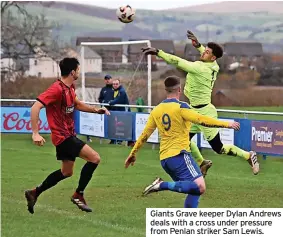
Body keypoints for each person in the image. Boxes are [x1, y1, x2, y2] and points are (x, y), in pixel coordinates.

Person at [141, 31, 259, 176]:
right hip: (194, 110)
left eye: (207, 52)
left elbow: (177, 61)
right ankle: (202, 162)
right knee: (184, 139)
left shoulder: (200, 68)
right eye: (205, 51)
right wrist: (198, 46)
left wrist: (158, 52)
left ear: (213, 57)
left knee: (219, 148)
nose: (204, 53)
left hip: (205, 112)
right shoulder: (213, 65)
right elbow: (207, 53)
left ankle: (248, 156)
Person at [124, 76, 240, 208]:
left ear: (166, 90)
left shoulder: (156, 110)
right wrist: (226, 124)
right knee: (199, 187)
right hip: (179, 155)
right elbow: (201, 119)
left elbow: (145, 135)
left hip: (165, 160)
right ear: (179, 89)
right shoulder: (181, 107)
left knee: (194, 189)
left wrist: (133, 153)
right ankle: (161, 185)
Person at [24, 57, 110, 214]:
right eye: (78, 69)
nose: (79, 72)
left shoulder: (70, 88)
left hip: (67, 135)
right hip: (63, 137)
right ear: (72, 72)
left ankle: (34, 192)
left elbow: (77, 104)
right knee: (95, 158)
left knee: (66, 172)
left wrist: (96, 110)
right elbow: (35, 107)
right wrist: (35, 133)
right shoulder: (56, 89)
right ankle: (79, 195)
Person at [87, 74, 114, 142]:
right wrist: (103, 102)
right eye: (106, 79)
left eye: (108, 79)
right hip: (104, 110)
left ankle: (113, 140)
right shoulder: (103, 89)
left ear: (111, 79)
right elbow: (100, 99)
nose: (107, 80)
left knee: (112, 125)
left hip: (112, 110)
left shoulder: (114, 88)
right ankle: (101, 139)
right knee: (102, 125)